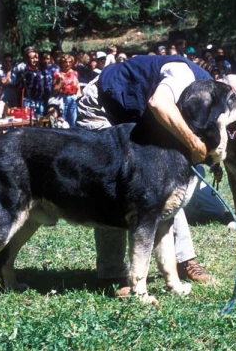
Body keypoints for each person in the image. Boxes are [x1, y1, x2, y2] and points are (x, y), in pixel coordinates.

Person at [77, 55, 219, 296]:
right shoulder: (184, 76)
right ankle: (111, 272)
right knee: (114, 186)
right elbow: (158, 103)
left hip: (132, 113)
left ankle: (184, 260)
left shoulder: (204, 96)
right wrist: (194, 144)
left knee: (169, 186)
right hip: (101, 105)